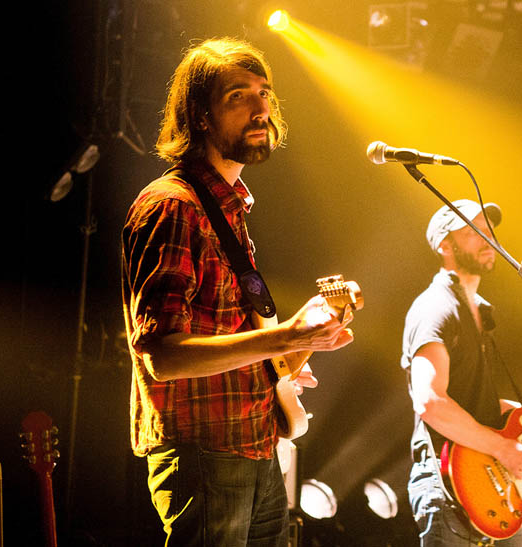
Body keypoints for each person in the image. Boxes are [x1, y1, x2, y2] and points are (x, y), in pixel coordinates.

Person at [121, 38, 354, 546]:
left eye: (264, 93)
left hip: (254, 445)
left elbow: (224, 330)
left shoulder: (227, 211)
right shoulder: (174, 206)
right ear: (200, 117)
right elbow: (163, 355)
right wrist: (283, 338)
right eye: (237, 97)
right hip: (205, 452)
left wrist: (297, 345)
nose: (261, 108)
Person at [401, 199, 522, 546]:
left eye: (490, 231)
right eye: (474, 231)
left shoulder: (478, 313)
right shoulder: (435, 307)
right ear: (446, 245)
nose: (488, 238)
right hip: (450, 487)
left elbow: (480, 404)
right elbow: (430, 401)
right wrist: (503, 450)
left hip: (491, 490)